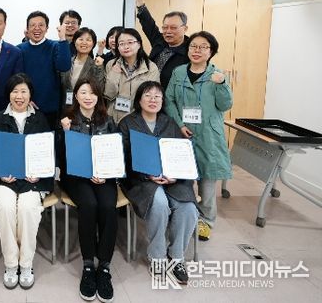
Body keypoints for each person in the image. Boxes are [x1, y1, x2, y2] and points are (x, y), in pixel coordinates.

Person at [118, 81, 198, 286]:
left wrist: (175, 176)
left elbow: (181, 154)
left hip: (173, 178)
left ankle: (177, 256)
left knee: (189, 208)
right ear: (139, 100)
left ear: (162, 101)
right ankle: (157, 256)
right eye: (148, 95)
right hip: (141, 179)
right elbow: (122, 158)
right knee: (160, 203)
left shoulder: (169, 123)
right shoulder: (127, 123)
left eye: (157, 96)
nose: (153, 100)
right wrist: (147, 175)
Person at [0, 73, 54, 290]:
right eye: (15, 91)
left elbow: (49, 150)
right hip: (4, 178)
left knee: (28, 209)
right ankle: (11, 263)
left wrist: (40, 172)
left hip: (33, 178)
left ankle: (26, 263)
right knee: (4, 208)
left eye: (23, 91)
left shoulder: (40, 119)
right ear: (8, 94)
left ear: (30, 95)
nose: (19, 96)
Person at [164, 31, 233, 242]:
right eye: (193, 46)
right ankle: (181, 216)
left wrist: (222, 84)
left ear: (211, 52)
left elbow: (225, 105)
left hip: (208, 135)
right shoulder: (178, 72)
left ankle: (206, 222)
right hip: (182, 133)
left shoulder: (217, 75)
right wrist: (180, 124)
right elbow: (169, 100)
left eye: (203, 47)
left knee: (207, 183)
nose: (197, 50)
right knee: (180, 178)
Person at [58, 77, 117, 302]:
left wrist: (106, 173)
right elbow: (60, 156)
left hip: (104, 175)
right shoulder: (67, 119)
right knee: (89, 205)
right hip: (76, 177)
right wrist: (65, 133)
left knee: (108, 206)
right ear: (75, 96)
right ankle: (88, 265)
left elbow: (115, 151)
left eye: (92, 93)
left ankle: (104, 266)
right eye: (83, 92)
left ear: (98, 96)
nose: (88, 97)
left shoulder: (108, 120)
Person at [17, 11, 71, 127]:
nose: (37, 28)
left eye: (41, 25)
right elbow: (16, 79)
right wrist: (25, 100)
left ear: (47, 28)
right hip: (25, 106)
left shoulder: (55, 46)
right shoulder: (19, 49)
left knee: (49, 137)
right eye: (33, 25)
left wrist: (62, 38)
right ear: (27, 29)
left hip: (50, 108)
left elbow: (64, 66)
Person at [133, 0, 190, 89]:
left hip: (171, 94)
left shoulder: (191, 49)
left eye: (173, 28)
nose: (168, 31)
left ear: (185, 28)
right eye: (165, 27)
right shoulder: (159, 40)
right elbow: (148, 23)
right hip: (149, 90)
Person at [103, 28, 160, 123]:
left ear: (139, 44)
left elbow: (152, 97)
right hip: (114, 119)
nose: (126, 47)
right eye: (121, 44)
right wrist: (114, 74)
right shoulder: (111, 64)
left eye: (130, 42)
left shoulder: (150, 67)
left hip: (140, 119)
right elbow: (109, 94)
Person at [60, 27, 106, 116]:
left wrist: (99, 67)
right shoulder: (66, 62)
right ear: (74, 42)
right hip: (65, 109)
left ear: (93, 44)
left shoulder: (96, 65)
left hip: (86, 110)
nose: (84, 42)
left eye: (88, 40)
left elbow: (99, 89)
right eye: (81, 39)